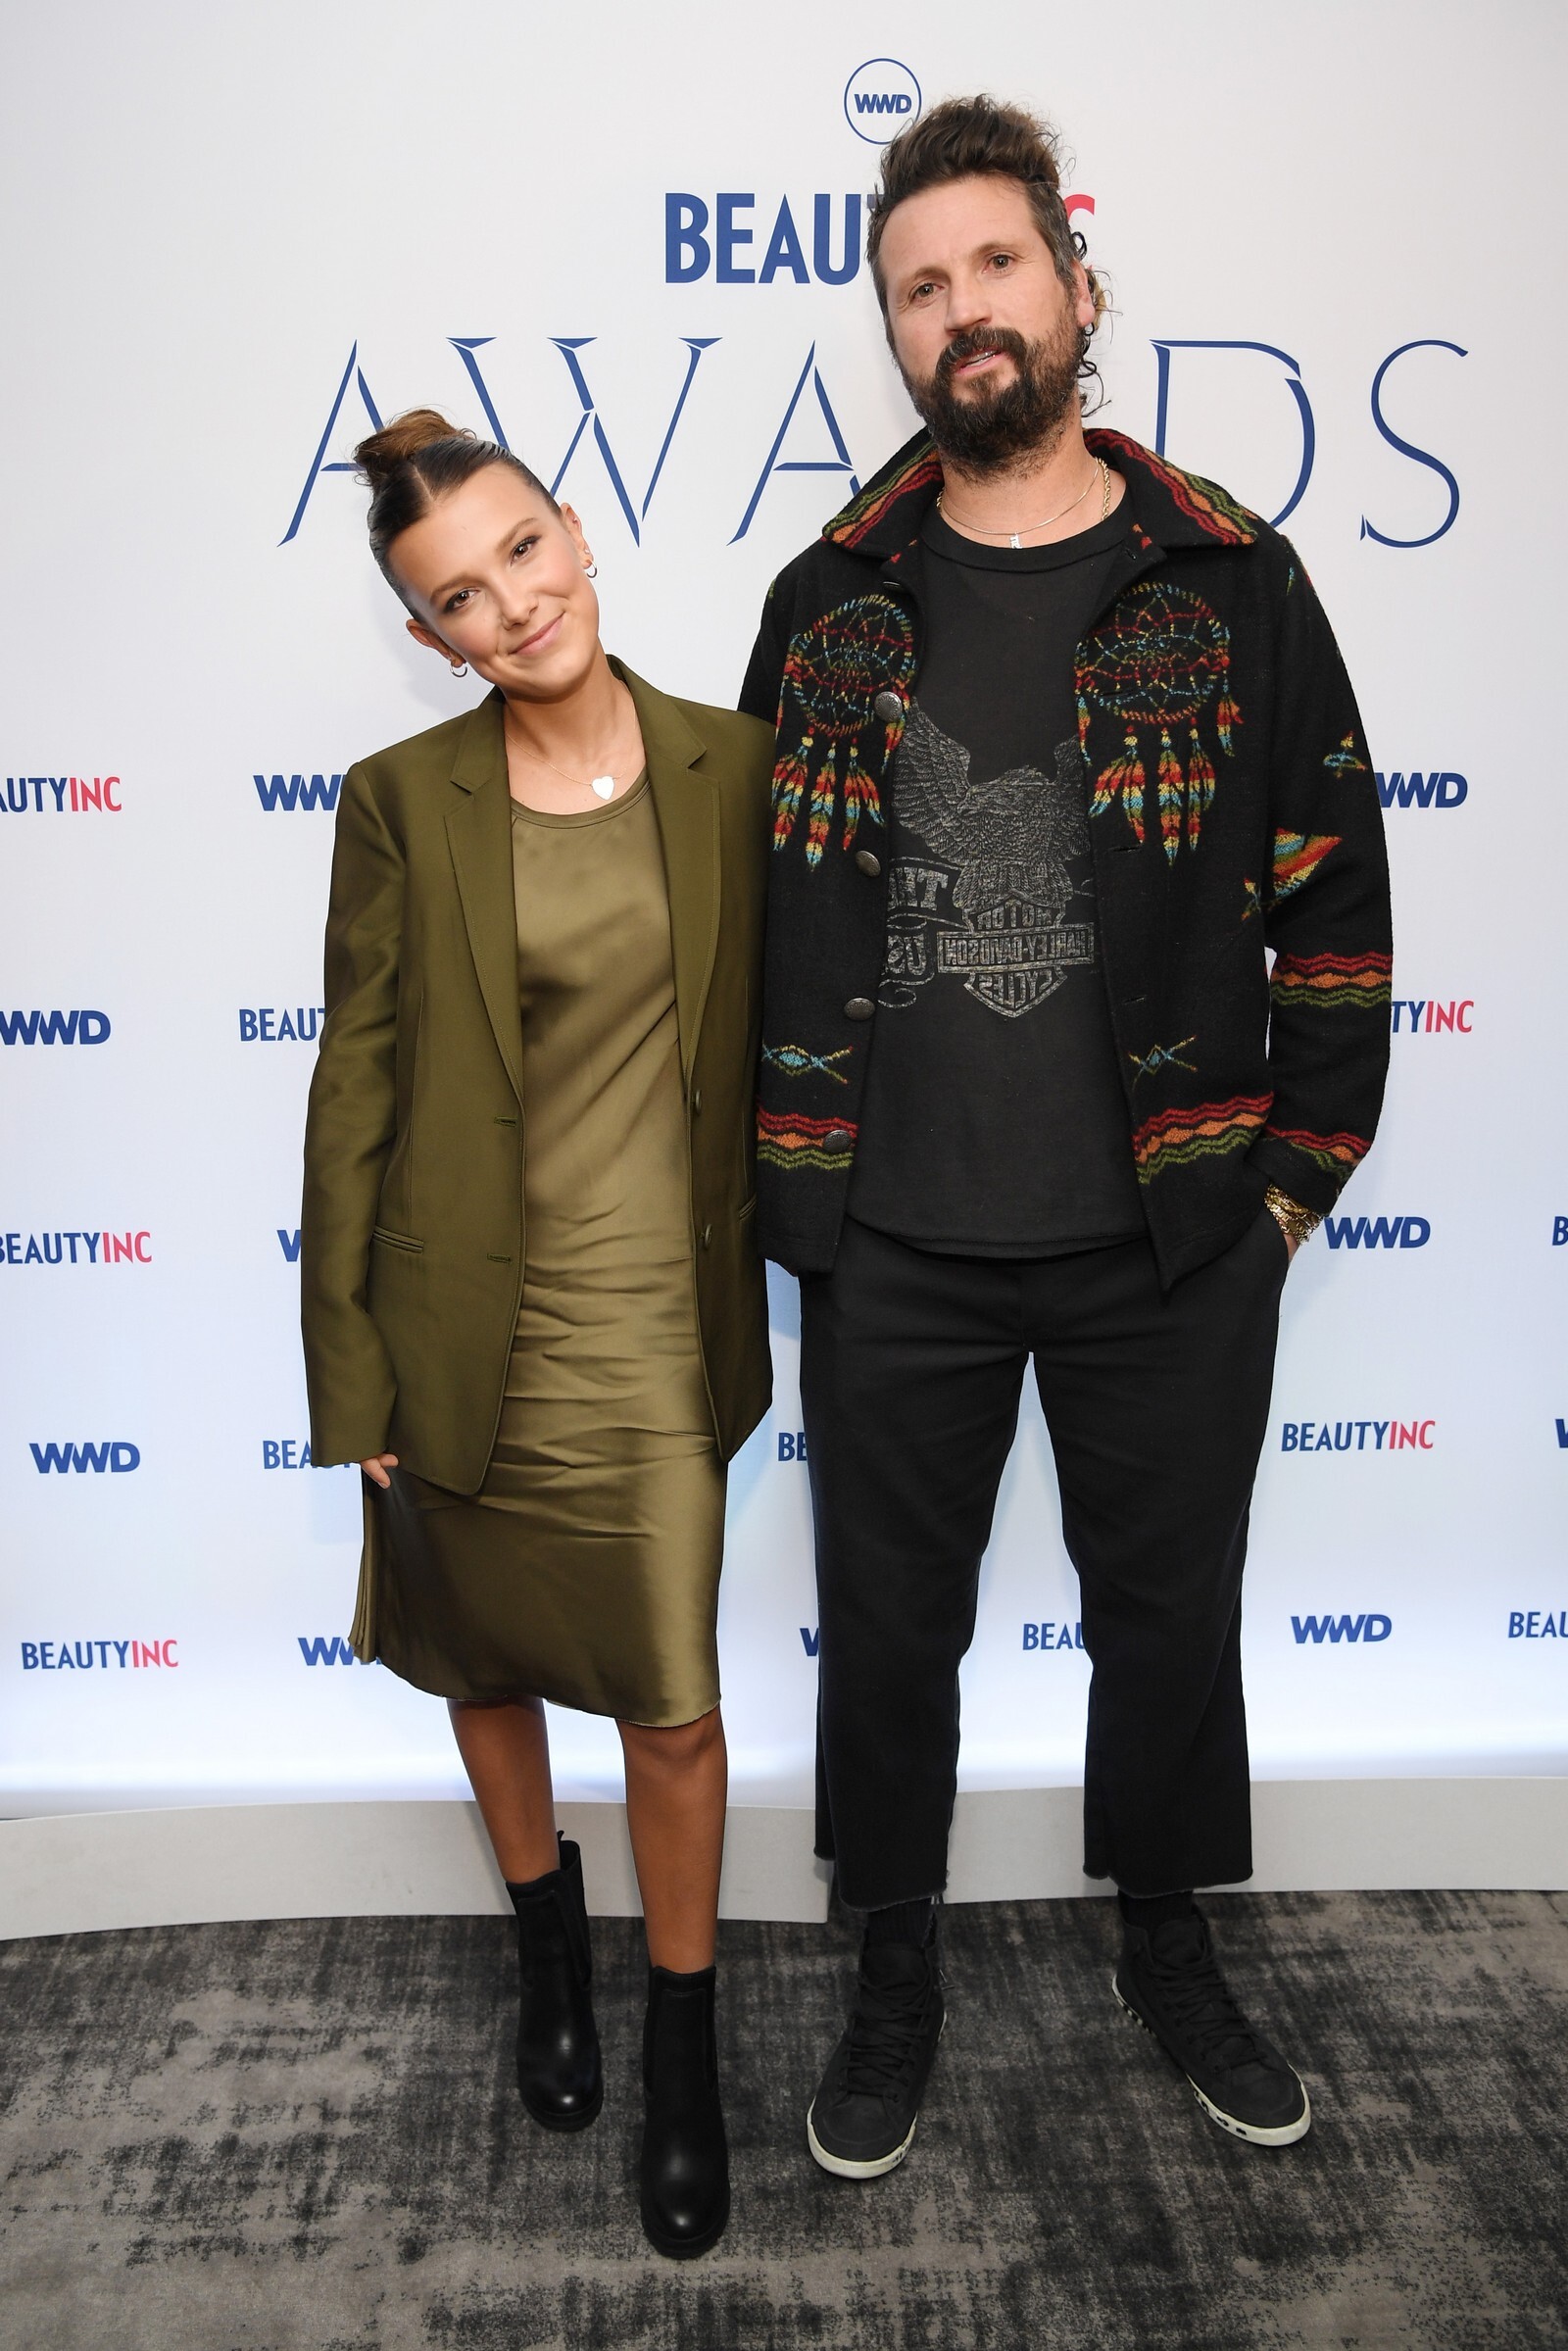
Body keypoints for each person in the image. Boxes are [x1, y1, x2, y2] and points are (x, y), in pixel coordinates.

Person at [740, 97, 1392, 2177]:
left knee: (1167, 1619)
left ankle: (1167, 1942)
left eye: (996, 264)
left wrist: (1286, 1192)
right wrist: (790, 1197)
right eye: (918, 287)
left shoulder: (1230, 578)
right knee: (887, 1636)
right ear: (894, 333)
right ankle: (894, 1965)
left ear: (1077, 286)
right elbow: (756, 914)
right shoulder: (825, 598)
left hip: (1172, 1232)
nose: (964, 311)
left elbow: (1335, 891)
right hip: (893, 1240)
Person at [301, 409, 773, 2258]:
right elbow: (355, 1091)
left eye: (520, 549)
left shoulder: (737, 767)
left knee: (674, 1709)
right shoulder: (400, 800)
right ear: (431, 638)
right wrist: (350, 1368)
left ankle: (682, 2047)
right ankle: (549, 1957)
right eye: (458, 597)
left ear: (576, 528)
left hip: (656, 1330)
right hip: (455, 1328)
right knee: (480, 1660)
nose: (510, 603)